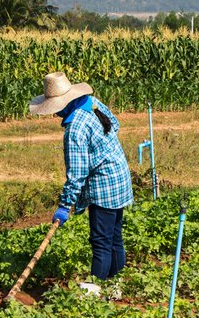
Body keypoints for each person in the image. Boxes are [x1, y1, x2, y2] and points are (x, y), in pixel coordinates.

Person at [30, 71, 134, 298]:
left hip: (104, 186)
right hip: (119, 175)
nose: (54, 112)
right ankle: (114, 287)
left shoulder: (75, 128)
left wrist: (65, 205)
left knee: (101, 240)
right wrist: (101, 150)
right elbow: (114, 125)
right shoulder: (92, 103)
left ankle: (95, 292)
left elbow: (77, 173)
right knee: (114, 236)